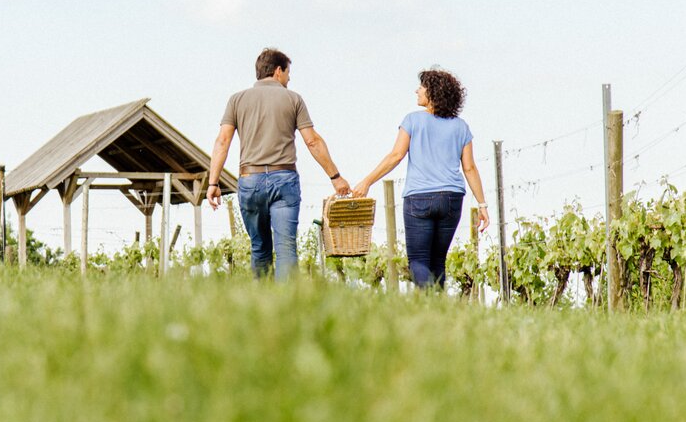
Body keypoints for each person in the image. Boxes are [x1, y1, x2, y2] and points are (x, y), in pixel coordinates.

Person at [206, 48, 350, 281]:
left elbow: (223, 141)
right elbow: (312, 141)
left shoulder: (237, 99)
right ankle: (287, 309)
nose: (289, 78)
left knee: (259, 247)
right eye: (288, 72)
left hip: (249, 181)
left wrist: (213, 182)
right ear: (277, 71)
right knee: (285, 248)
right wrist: (335, 177)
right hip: (283, 180)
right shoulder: (293, 98)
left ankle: (263, 307)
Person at [352, 68, 490, 289]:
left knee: (418, 261)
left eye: (422, 87)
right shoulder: (461, 126)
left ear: (433, 92)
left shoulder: (412, 120)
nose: (417, 90)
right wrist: (482, 204)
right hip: (452, 199)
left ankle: (428, 305)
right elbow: (470, 168)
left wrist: (367, 181)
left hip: (419, 198)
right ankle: (439, 311)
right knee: (438, 262)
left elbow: (396, 155)